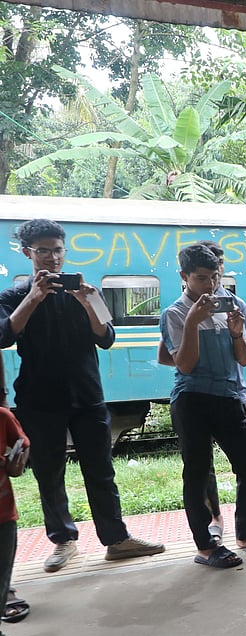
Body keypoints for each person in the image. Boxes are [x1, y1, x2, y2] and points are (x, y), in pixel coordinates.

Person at [0, 219, 164, 573]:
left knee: (100, 470)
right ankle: (64, 541)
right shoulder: (14, 296)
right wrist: (34, 297)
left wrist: (89, 303)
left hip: (88, 395)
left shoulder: (85, 291)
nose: (53, 258)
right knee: (49, 474)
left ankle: (116, 540)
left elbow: (107, 338)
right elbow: (3, 336)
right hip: (38, 399)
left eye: (58, 250)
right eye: (44, 251)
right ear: (27, 253)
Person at [157, 240, 246, 541]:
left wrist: (236, 334)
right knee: (197, 472)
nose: (210, 284)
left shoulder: (235, 305)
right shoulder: (175, 313)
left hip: (230, 396)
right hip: (192, 398)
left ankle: (245, 535)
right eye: (201, 278)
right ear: (184, 277)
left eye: (214, 277)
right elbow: (185, 365)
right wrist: (193, 323)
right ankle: (206, 544)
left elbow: (245, 358)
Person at [0, 389, 31, 636]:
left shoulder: (3, 418)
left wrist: (16, 465)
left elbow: (22, 445)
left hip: (2, 513)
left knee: (2, 574)